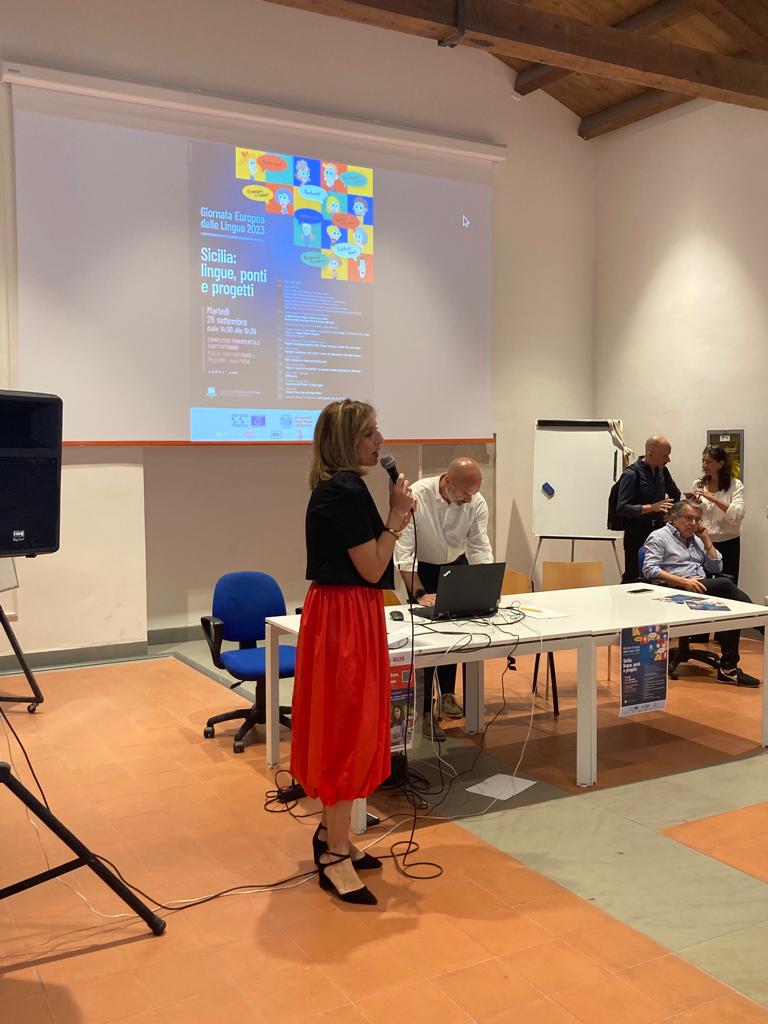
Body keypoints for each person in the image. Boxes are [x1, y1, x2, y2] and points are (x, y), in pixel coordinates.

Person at [290, 399, 415, 904]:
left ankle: (331, 836)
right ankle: (335, 856)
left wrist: (392, 517)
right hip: (345, 616)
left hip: (349, 612)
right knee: (344, 730)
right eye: (368, 433)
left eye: (377, 430)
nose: (379, 441)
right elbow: (372, 566)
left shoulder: (343, 486)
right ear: (344, 441)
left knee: (350, 724)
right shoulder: (342, 490)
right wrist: (397, 516)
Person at [394, 457, 493, 739]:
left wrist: (486, 587)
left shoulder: (476, 502)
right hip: (422, 570)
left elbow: (479, 547)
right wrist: (420, 594)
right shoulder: (417, 496)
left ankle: (448, 695)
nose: (469, 499)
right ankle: (424, 711)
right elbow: (404, 553)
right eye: (465, 492)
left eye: (473, 493)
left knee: (457, 635)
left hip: (456, 566)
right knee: (426, 644)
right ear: (448, 481)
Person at [642, 500, 759, 687]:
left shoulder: (696, 539)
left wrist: (706, 540)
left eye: (697, 519)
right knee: (725, 584)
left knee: (732, 605)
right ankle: (760, 622)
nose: (694, 523)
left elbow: (716, 567)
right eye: (689, 518)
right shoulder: (659, 537)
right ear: (674, 518)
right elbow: (650, 569)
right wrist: (684, 581)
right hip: (674, 591)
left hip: (700, 589)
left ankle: (728, 669)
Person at [616, 435, 681, 583]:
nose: (668, 460)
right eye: (665, 456)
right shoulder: (631, 474)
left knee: (658, 576)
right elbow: (622, 508)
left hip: (659, 532)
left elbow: (675, 494)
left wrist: (670, 514)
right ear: (650, 453)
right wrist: (651, 508)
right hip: (636, 534)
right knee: (635, 577)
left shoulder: (663, 471)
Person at [690, 445, 745, 584]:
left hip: (728, 542)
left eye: (708, 461)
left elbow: (738, 514)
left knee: (727, 584)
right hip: (702, 541)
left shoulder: (735, 485)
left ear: (721, 463)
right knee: (703, 583)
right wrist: (693, 505)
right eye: (703, 461)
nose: (704, 465)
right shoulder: (698, 484)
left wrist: (713, 498)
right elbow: (693, 514)